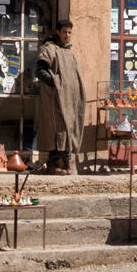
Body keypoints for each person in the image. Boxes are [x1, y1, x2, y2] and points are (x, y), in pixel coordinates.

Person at [35, 20, 86, 174]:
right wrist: (56, 85)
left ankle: (66, 164)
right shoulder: (49, 49)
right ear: (57, 32)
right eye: (64, 32)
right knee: (58, 131)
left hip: (70, 101)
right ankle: (54, 165)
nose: (67, 35)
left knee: (69, 129)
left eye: (69, 32)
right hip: (55, 101)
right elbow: (40, 71)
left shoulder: (68, 52)